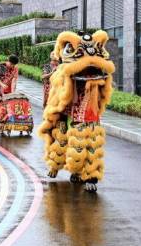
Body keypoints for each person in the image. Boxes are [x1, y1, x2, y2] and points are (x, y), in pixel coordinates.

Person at [39, 30, 115, 193]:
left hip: (91, 116)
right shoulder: (62, 73)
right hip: (69, 114)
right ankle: (58, 166)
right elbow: (57, 96)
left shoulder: (99, 77)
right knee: (63, 140)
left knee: (92, 145)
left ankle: (91, 176)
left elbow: (105, 89)